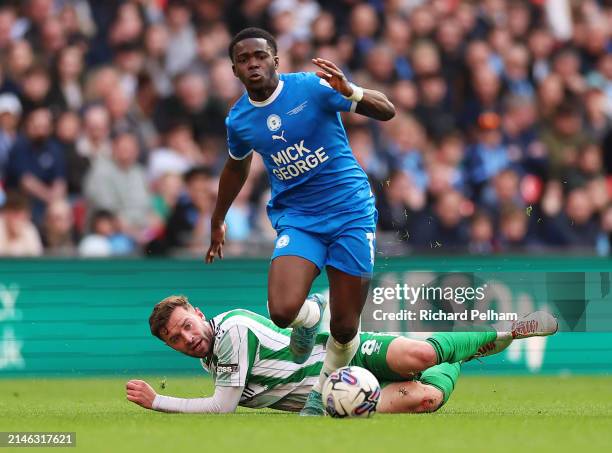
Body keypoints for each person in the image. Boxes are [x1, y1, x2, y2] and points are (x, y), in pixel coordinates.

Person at [205, 27, 395, 416]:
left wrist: (350, 91)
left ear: (276, 59)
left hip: (350, 212)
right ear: (235, 70)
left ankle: (320, 391)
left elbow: (387, 110)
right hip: (299, 219)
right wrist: (218, 219)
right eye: (243, 59)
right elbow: (236, 169)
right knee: (281, 311)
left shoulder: (312, 87)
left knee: (344, 328)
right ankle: (309, 318)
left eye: (260, 55)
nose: (253, 63)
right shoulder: (240, 119)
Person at [126, 294, 558, 415]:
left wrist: (157, 401)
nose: (187, 338)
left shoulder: (231, 332)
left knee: (422, 356)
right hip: (337, 394)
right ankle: (462, 355)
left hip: (345, 352)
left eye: (186, 325)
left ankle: (505, 331)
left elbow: (223, 406)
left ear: (200, 314)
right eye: (176, 340)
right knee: (427, 399)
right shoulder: (210, 358)